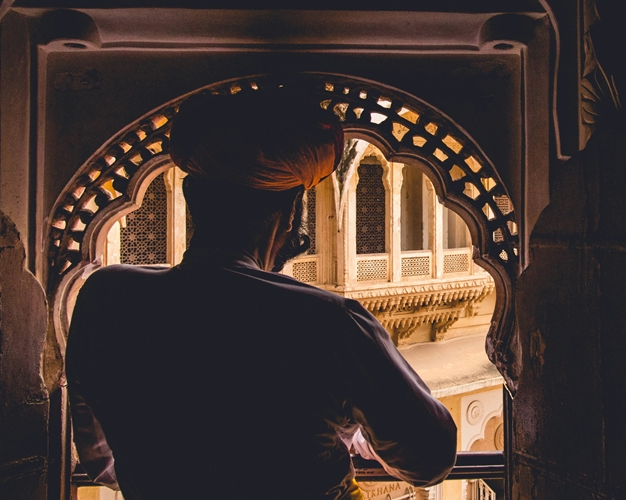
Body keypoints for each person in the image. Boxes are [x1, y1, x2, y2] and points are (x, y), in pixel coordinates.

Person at [65, 91, 457, 500]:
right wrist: (346, 429)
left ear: (191, 200)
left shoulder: (106, 299)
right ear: (291, 213)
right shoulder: (329, 321)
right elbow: (429, 458)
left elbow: (102, 462)